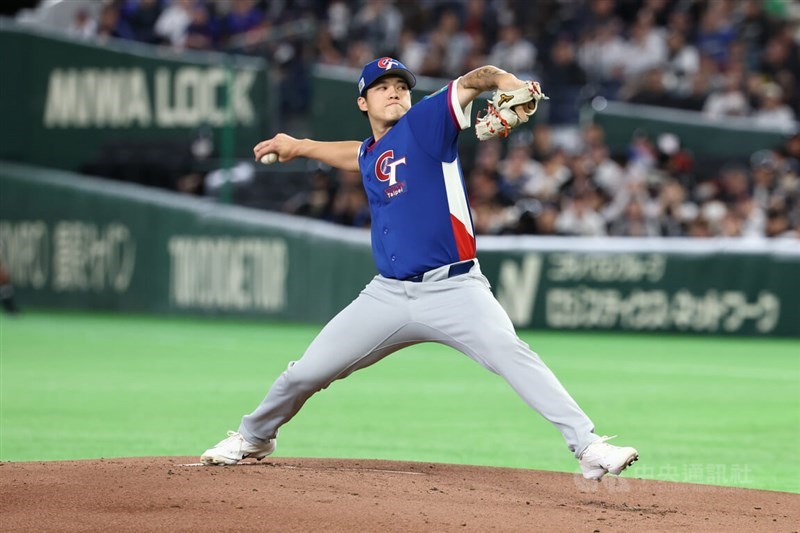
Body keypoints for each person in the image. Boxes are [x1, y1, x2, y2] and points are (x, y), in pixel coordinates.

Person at [201, 58, 638, 480]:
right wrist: (298, 147)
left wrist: (506, 82)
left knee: (512, 353)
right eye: (382, 87)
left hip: (455, 289)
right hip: (387, 295)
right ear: (362, 103)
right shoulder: (375, 152)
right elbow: (354, 154)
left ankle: (589, 446)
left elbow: (477, 78)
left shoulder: (426, 124)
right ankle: (255, 437)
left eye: (402, 86)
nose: (395, 91)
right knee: (306, 372)